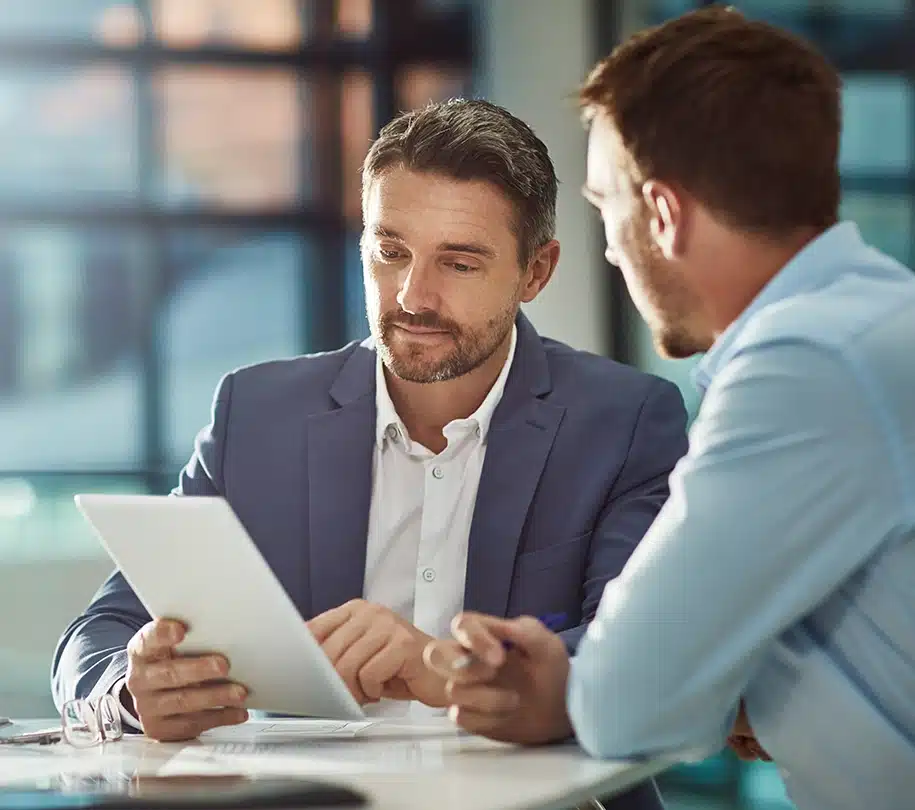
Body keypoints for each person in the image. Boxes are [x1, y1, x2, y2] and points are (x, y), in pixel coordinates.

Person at [52, 98, 685, 766]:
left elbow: (639, 654)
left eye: (459, 263)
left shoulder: (625, 421)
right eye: (390, 252)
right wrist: (131, 690)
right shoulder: (257, 413)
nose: (413, 295)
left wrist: (443, 671)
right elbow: (101, 632)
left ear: (535, 272)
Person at [424, 8, 915, 810]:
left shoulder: (804, 364)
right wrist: (740, 693)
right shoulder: (870, 322)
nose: (610, 247)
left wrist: (572, 686)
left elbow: (628, 703)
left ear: (661, 213)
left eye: (604, 207)